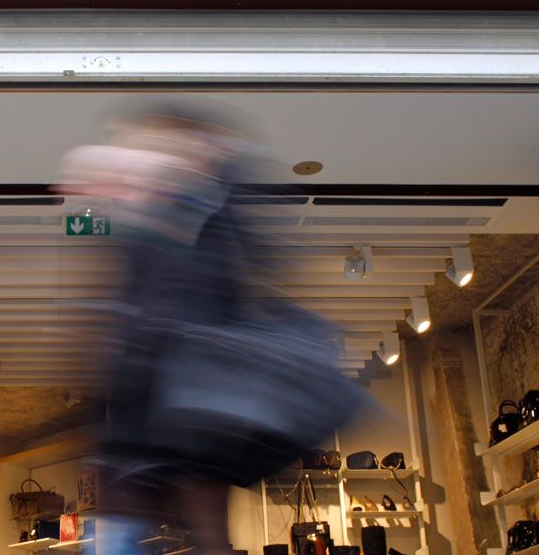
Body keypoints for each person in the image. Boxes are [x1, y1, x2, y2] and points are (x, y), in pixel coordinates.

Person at [57, 98, 364, 555]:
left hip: (194, 395)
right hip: (162, 397)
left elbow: (246, 277)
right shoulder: (160, 220)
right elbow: (122, 307)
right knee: (149, 516)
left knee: (182, 517)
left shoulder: (215, 212)